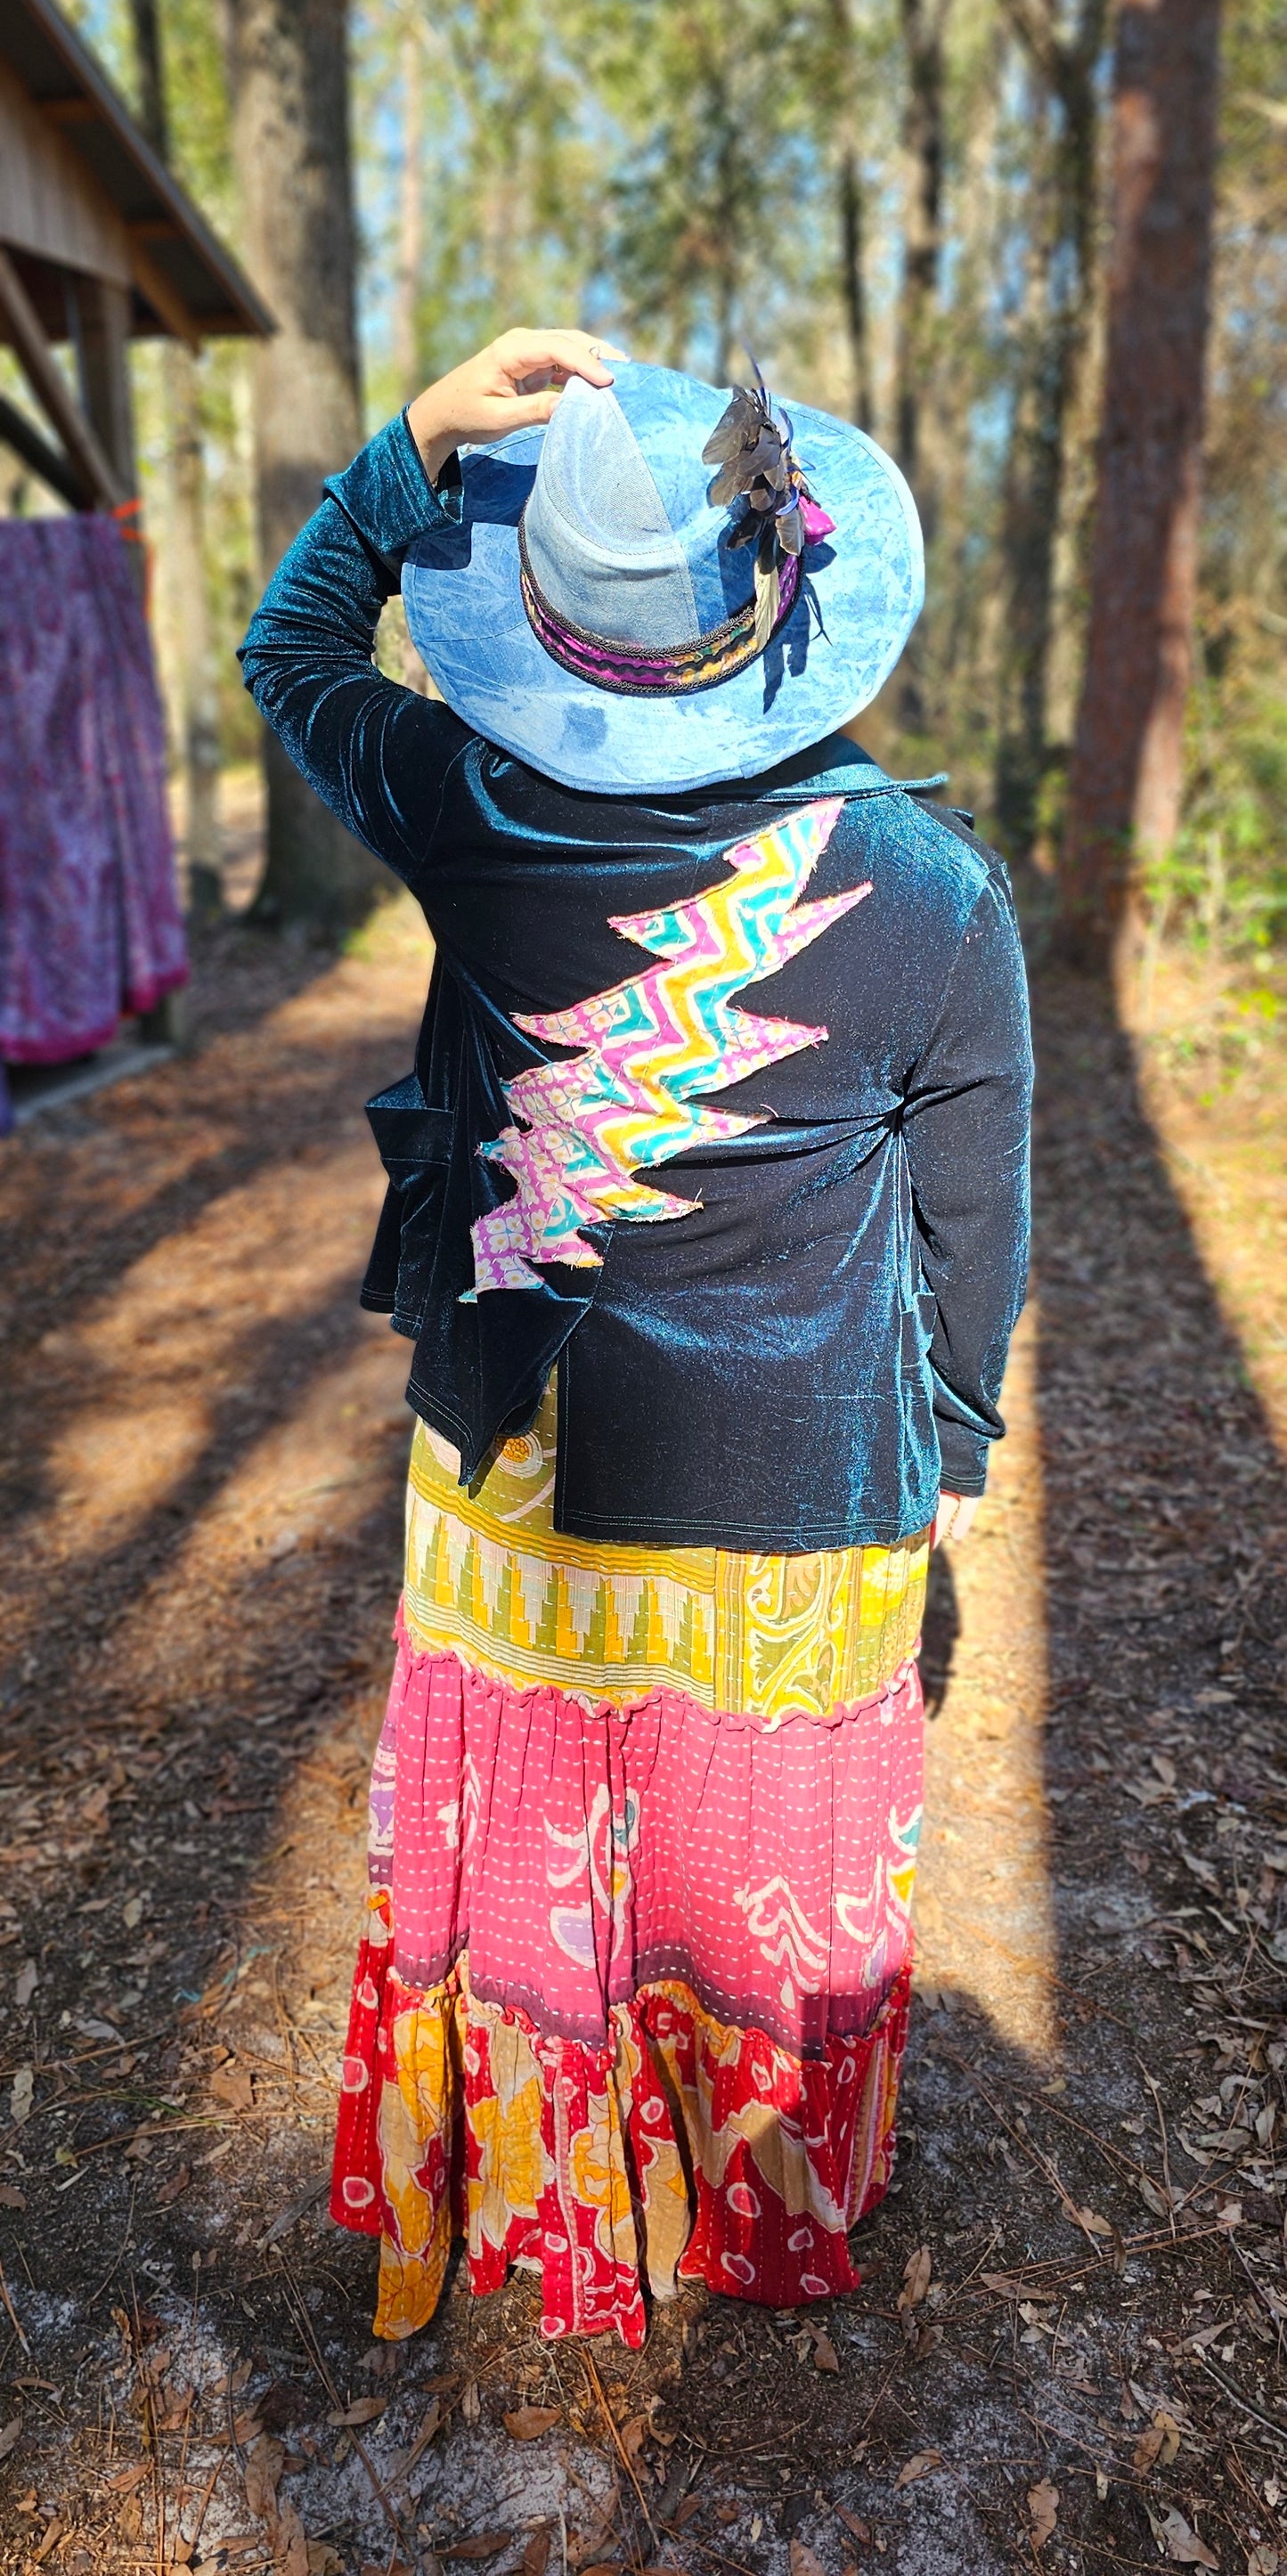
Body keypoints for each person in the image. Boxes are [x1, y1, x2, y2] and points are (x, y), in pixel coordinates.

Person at [240, 327, 1032, 2348]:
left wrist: (411, 442)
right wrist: (941, 1451)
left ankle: (542, 2156)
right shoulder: (933, 891)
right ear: (790, 608)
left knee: (538, 1816)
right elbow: (974, 1222)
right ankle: (749, 2174)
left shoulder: (470, 808)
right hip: (799, 1488)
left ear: (549, 637)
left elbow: (293, 651)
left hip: (518, 1454)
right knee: (758, 1850)